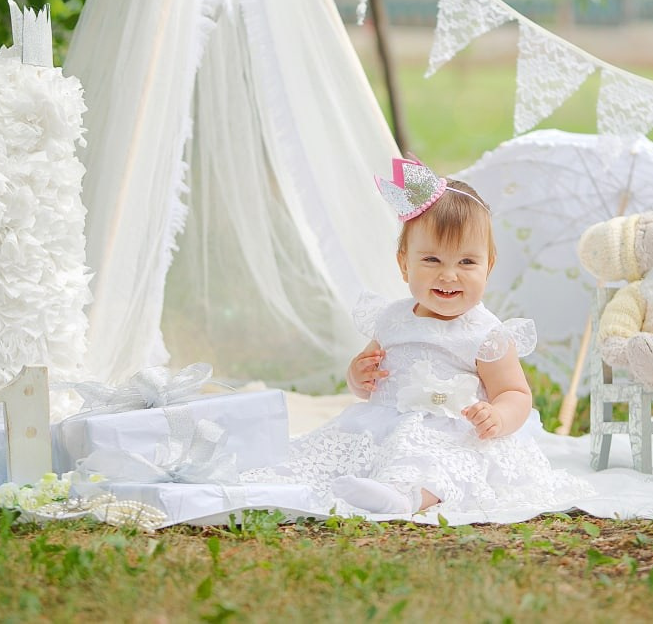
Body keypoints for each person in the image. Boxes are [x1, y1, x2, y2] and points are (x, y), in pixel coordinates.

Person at [244, 158, 595, 516]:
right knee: (346, 451)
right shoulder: (393, 320)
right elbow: (368, 381)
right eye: (431, 260)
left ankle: (407, 497)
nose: (449, 275)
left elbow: (515, 392)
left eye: (466, 263)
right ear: (404, 264)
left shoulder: (485, 334)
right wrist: (359, 375)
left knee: (443, 466)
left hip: (456, 432)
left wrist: (499, 416)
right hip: (388, 421)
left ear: (488, 266)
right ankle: (359, 484)